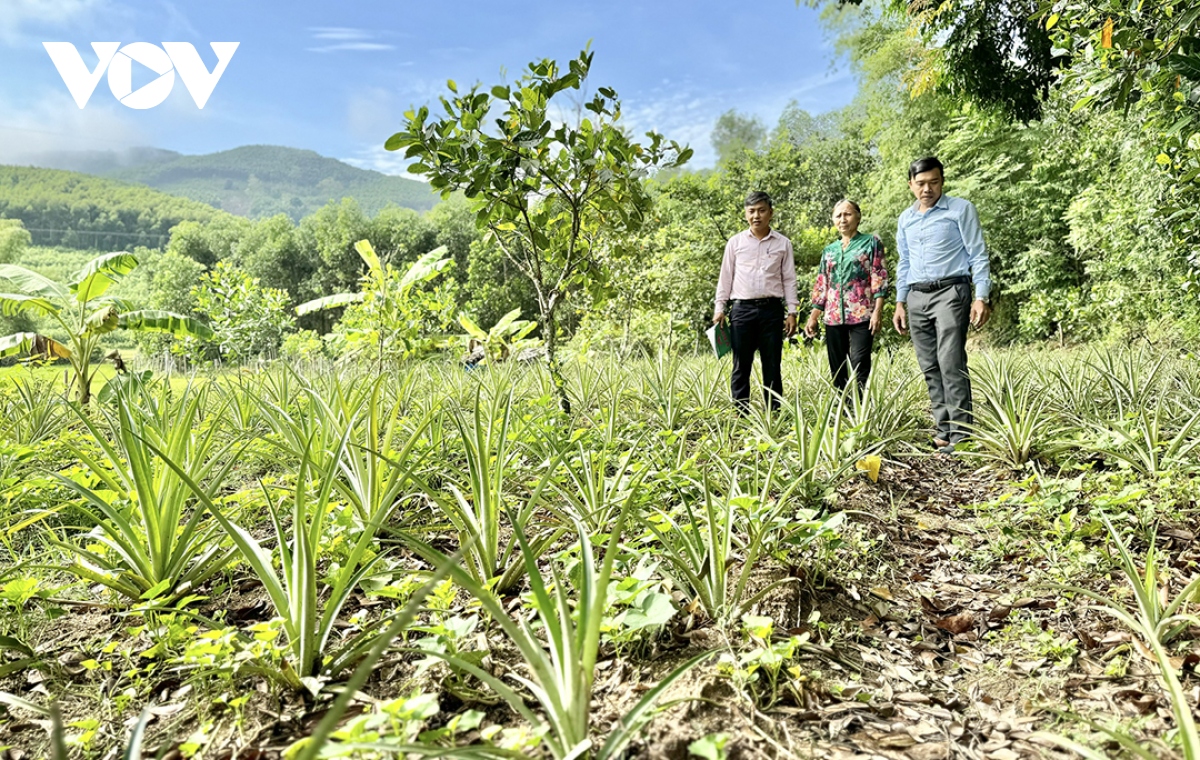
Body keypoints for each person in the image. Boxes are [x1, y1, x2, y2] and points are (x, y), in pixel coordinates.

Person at [892, 157, 992, 453]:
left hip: (951, 292)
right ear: (910, 185)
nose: (927, 189)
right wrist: (900, 302)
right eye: (920, 183)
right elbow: (904, 262)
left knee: (951, 363)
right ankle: (943, 429)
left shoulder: (961, 209)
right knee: (929, 365)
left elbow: (978, 254)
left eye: (933, 182)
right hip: (916, 296)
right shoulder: (905, 219)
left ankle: (963, 434)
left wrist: (981, 295)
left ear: (942, 181)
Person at [713, 191, 799, 413]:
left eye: (761, 210)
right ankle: (741, 414)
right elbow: (726, 277)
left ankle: (774, 413)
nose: (756, 216)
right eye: (751, 211)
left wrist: (792, 312)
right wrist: (719, 308)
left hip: (771, 310)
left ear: (770, 213)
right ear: (745, 214)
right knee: (741, 364)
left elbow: (789, 279)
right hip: (741, 310)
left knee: (772, 364)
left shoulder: (783, 244)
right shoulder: (735, 243)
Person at [804, 199, 889, 392]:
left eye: (847, 214)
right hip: (833, 317)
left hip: (862, 314)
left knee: (859, 363)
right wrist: (813, 317)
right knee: (838, 367)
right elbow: (822, 285)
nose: (843, 219)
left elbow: (879, 277)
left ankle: (859, 407)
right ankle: (842, 409)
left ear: (858, 217)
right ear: (833, 220)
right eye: (838, 215)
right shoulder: (829, 251)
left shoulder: (871, 242)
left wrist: (877, 311)